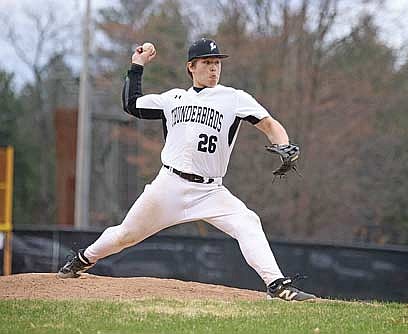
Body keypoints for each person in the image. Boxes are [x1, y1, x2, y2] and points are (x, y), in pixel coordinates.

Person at [57, 38, 316, 301]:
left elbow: (270, 124)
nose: (214, 68)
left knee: (248, 222)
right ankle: (83, 258)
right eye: (207, 63)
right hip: (169, 185)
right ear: (191, 67)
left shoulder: (235, 99)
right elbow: (131, 104)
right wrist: (137, 65)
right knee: (126, 235)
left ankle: (276, 285)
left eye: (217, 63)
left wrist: (284, 144)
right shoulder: (173, 99)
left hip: (210, 190)